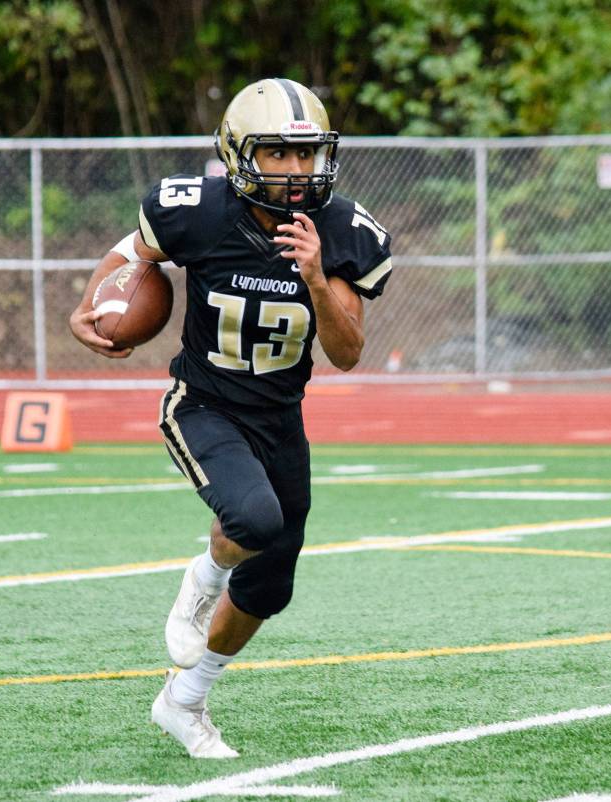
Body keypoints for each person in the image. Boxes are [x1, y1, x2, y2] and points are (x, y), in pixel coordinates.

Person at [69, 77, 393, 759]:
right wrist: (90, 303)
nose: (298, 171)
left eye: (308, 155)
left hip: (280, 416)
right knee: (252, 518)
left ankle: (183, 702)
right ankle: (200, 581)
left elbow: (349, 353)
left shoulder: (342, 232)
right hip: (205, 403)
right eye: (279, 153)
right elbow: (136, 252)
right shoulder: (199, 211)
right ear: (242, 152)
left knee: (271, 585)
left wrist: (313, 278)